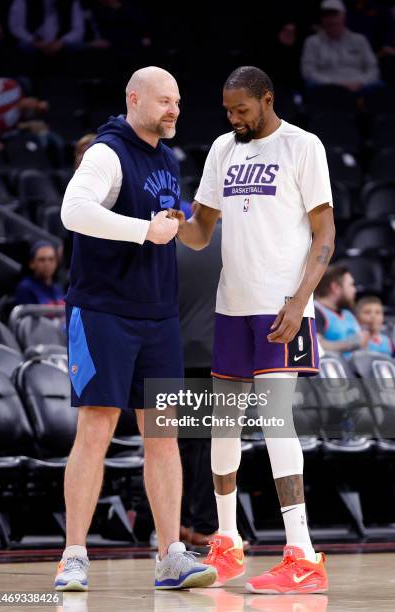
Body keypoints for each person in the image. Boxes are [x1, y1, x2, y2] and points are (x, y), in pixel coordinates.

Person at [168, 65, 335, 594]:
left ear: (266, 99)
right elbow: (200, 232)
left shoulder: (303, 146)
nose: (232, 117)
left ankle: (302, 554)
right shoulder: (223, 148)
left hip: (282, 308)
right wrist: (172, 222)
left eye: (241, 109)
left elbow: (325, 233)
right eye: (226, 110)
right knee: (224, 428)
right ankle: (227, 541)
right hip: (231, 305)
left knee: (277, 423)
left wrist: (299, 299)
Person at [56, 66, 217, 592]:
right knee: (97, 427)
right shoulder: (107, 151)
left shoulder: (167, 158)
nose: (174, 109)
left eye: (178, 101)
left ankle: (171, 554)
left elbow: (182, 233)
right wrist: (142, 230)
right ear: (135, 98)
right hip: (103, 310)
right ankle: (73, 555)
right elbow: (73, 211)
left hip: (158, 315)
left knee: (164, 436)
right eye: (164, 100)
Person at [301, 0, 380, 92]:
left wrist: (361, 82)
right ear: (321, 19)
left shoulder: (360, 40)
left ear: (343, 16)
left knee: (380, 88)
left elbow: (373, 68)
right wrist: (334, 84)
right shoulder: (312, 42)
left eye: (334, 14)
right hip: (327, 87)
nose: (330, 19)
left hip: (360, 85)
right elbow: (308, 71)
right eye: (326, 15)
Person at [315, 265, 370, 358]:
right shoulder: (316, 311)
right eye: (351, 285)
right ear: (335, 287)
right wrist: (350, 344)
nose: (354, 290)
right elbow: (315, 346)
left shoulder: (348, 314)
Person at [14, 240, 64, 306]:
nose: (47, 264)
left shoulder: (58, 288)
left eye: (51, 259)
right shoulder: (25, 288)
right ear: (31, 264)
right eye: (42, 260)